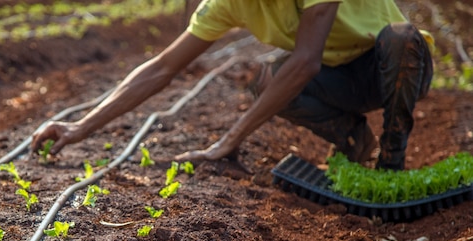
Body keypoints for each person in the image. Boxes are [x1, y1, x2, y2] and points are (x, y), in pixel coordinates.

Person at [31, 0, 434, 171]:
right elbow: (162, 67)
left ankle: (392, 160)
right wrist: (79, 127)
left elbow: (306, 61)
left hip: (397, 68)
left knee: (400, 36)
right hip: (339, 80)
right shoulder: (225, 4)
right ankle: (355, 141)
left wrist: (230, 138)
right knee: (267, 79)